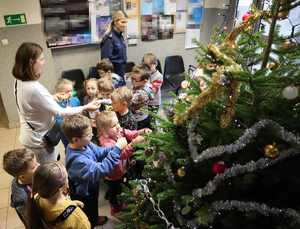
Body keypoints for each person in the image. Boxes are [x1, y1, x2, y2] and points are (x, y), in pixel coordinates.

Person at [12, 42, 100, 163]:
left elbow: (32, 102)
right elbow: (61, 112)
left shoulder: (18, 81)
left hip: (30, 133)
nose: (44, 62)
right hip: (39, 139)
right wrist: (86, 107)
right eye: (41, 59)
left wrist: (52, 97)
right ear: (31, 62)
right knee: (48, 172)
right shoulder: (34, 87)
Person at [62, 114, 127, 227]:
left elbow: (99, 152)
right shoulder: (78, 160)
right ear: (75, 139)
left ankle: (94, 218)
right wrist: (117, 150)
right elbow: (101, 170)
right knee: (88, 208)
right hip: (84, 192)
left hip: (90, 184)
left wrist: (115, 147)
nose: (92, 134)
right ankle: (91, 223)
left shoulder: (84, 144)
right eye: (88, 134)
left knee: (93, 205)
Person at [96, 111, 151, 216]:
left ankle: (123, 198)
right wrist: (133, 144)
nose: (118, 127)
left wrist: (141, 131)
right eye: (113, 126)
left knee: (123, 185)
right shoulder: (106, 143)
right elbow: (121, 154)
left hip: (123, 168)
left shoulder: (119, 131)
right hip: (113, 175)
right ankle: (115, 208)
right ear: (104, 131)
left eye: (117, 123)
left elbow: (129, 133)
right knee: (115, 191)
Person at [28, 162, 91, 229]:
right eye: (67, 177)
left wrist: (72, 204)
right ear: (61, 187)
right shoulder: (77, 217)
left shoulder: (37, 197)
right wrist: (71, 209)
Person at [2, 148, 40, 227]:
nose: (39, 165)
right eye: (34, 167)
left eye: (37, 162)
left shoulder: (27, 179)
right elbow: (29, 218)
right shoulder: (22, 198)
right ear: (22, 177)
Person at [100, 10, 127, 85]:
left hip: (121, 72)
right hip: (113, 76)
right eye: (122, 22)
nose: (125, 25)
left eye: (125, 22)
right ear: (115, 22)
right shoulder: (109, 38)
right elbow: (105, 62)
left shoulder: (120, 36)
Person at [53, 78, 80, 148]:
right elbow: (57, 120)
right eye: (67, 91)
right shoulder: (57, 104)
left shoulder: (75, 100)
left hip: (76, 128)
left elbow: (80, 114)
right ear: (59, 93)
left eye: (71, 90)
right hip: (64, 131)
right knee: (68, 146)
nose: (70, 93)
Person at [128, 65, 154, 129]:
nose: (132, 82)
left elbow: (128, 102)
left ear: (144, 81)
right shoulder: (141, 85)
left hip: (140, 120)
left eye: (135, 80)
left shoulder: (141, 94)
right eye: (132, 78)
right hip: (143, 116)